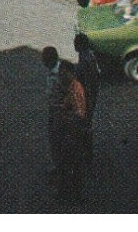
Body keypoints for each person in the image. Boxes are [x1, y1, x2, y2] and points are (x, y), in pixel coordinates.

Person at [41, 46, 89, 194]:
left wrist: (63, 115)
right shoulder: (55, 74)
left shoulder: (68, 83)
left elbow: (77, 111)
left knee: (69, 158)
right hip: (57, 115)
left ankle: (70, 189)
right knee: (56, 146)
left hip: (68, 125)